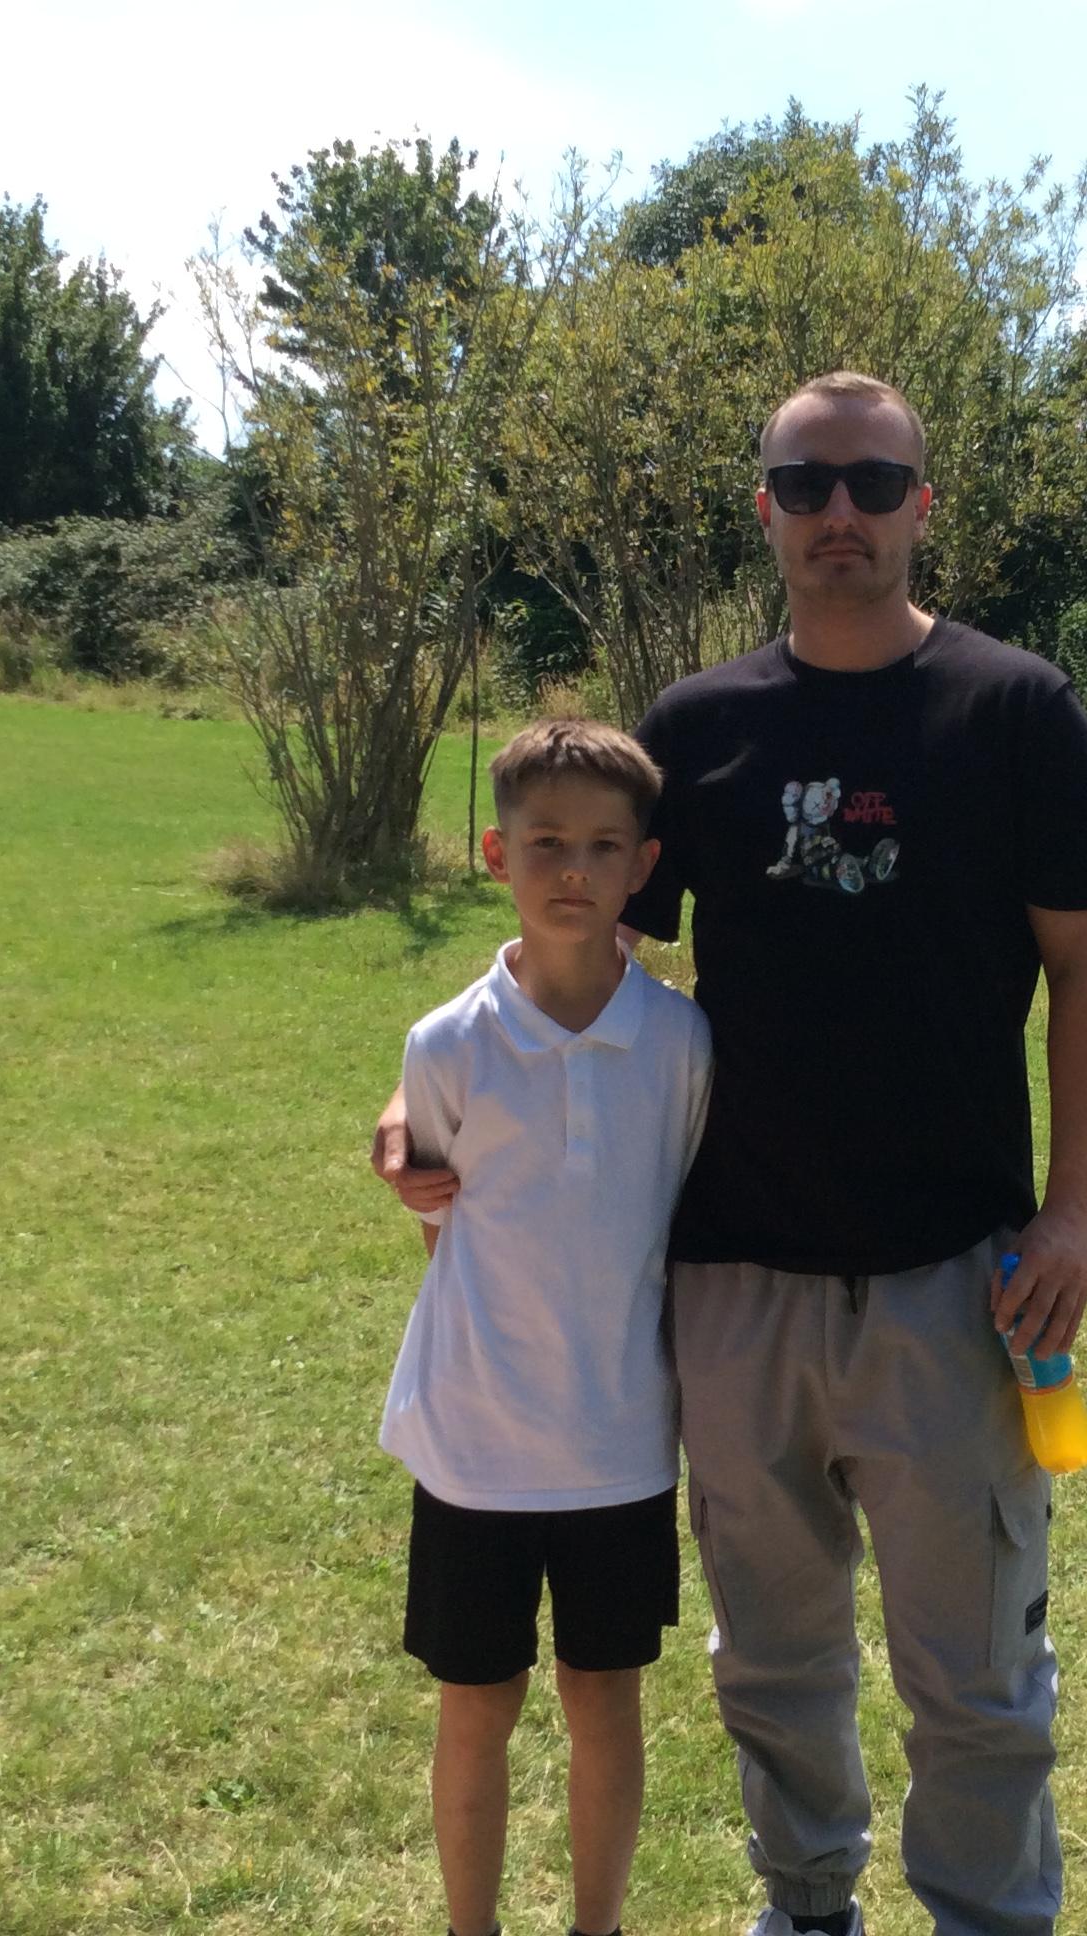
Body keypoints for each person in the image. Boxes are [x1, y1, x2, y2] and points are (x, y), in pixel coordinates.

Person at [380, 371, 1087, 1936]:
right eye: (806, 486)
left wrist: (1072, 1217)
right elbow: (581, 949)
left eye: (873, 482)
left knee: (975, 1671)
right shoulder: (700, 728)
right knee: (775, 1663)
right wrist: (430, 1100)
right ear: (767, 514)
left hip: (956, 1282)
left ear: (923, 505)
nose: (839, 512)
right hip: (733, 1291)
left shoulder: (1014, 710)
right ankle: (805, 1907)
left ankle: (988, 1917)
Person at [379, 715, 713, 1936]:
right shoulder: (445, 1045)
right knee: (477, 1705)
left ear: (644, 865)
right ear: (495, 853)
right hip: (476, 1443)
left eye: (604, 846)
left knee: (602, 1698)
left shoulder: (681, 1043)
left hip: (619, 1445)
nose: (574, 869)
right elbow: (441, 1224)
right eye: (546, 843)